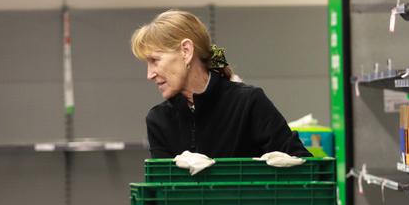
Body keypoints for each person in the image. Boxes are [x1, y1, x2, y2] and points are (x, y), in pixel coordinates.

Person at [131, 10, 311, 159]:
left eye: (155, 60)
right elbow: (162, 194)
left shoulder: (248, 103)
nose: (150, 74)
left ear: (186, 51)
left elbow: (302, 165)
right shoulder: (159, 120)